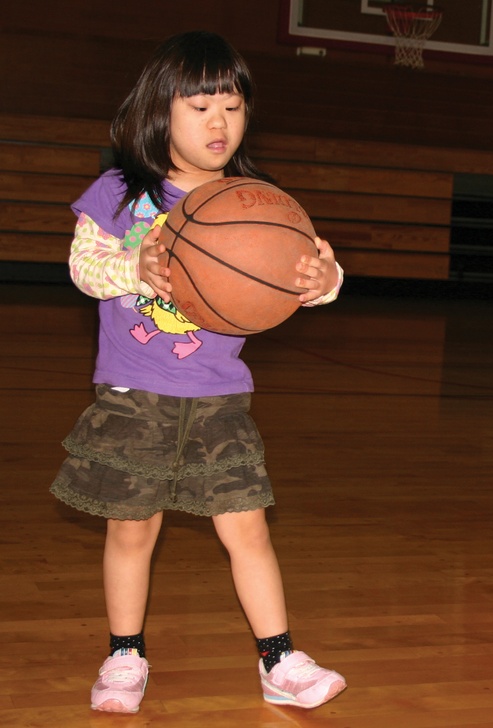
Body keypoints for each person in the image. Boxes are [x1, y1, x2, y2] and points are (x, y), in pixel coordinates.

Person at [50, 31, 347, 712]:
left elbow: (300, 277)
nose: (220, 123)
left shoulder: (255, 202)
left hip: (219, 397)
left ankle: (279, 660)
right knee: (132, 527)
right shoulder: (122, 191)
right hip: (133, 394)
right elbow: (82, 268)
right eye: (201, 107)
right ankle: (125, 654)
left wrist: (323, 277)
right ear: (160, 110)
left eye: (233, 108)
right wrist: (137, 266)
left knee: (248, 528)